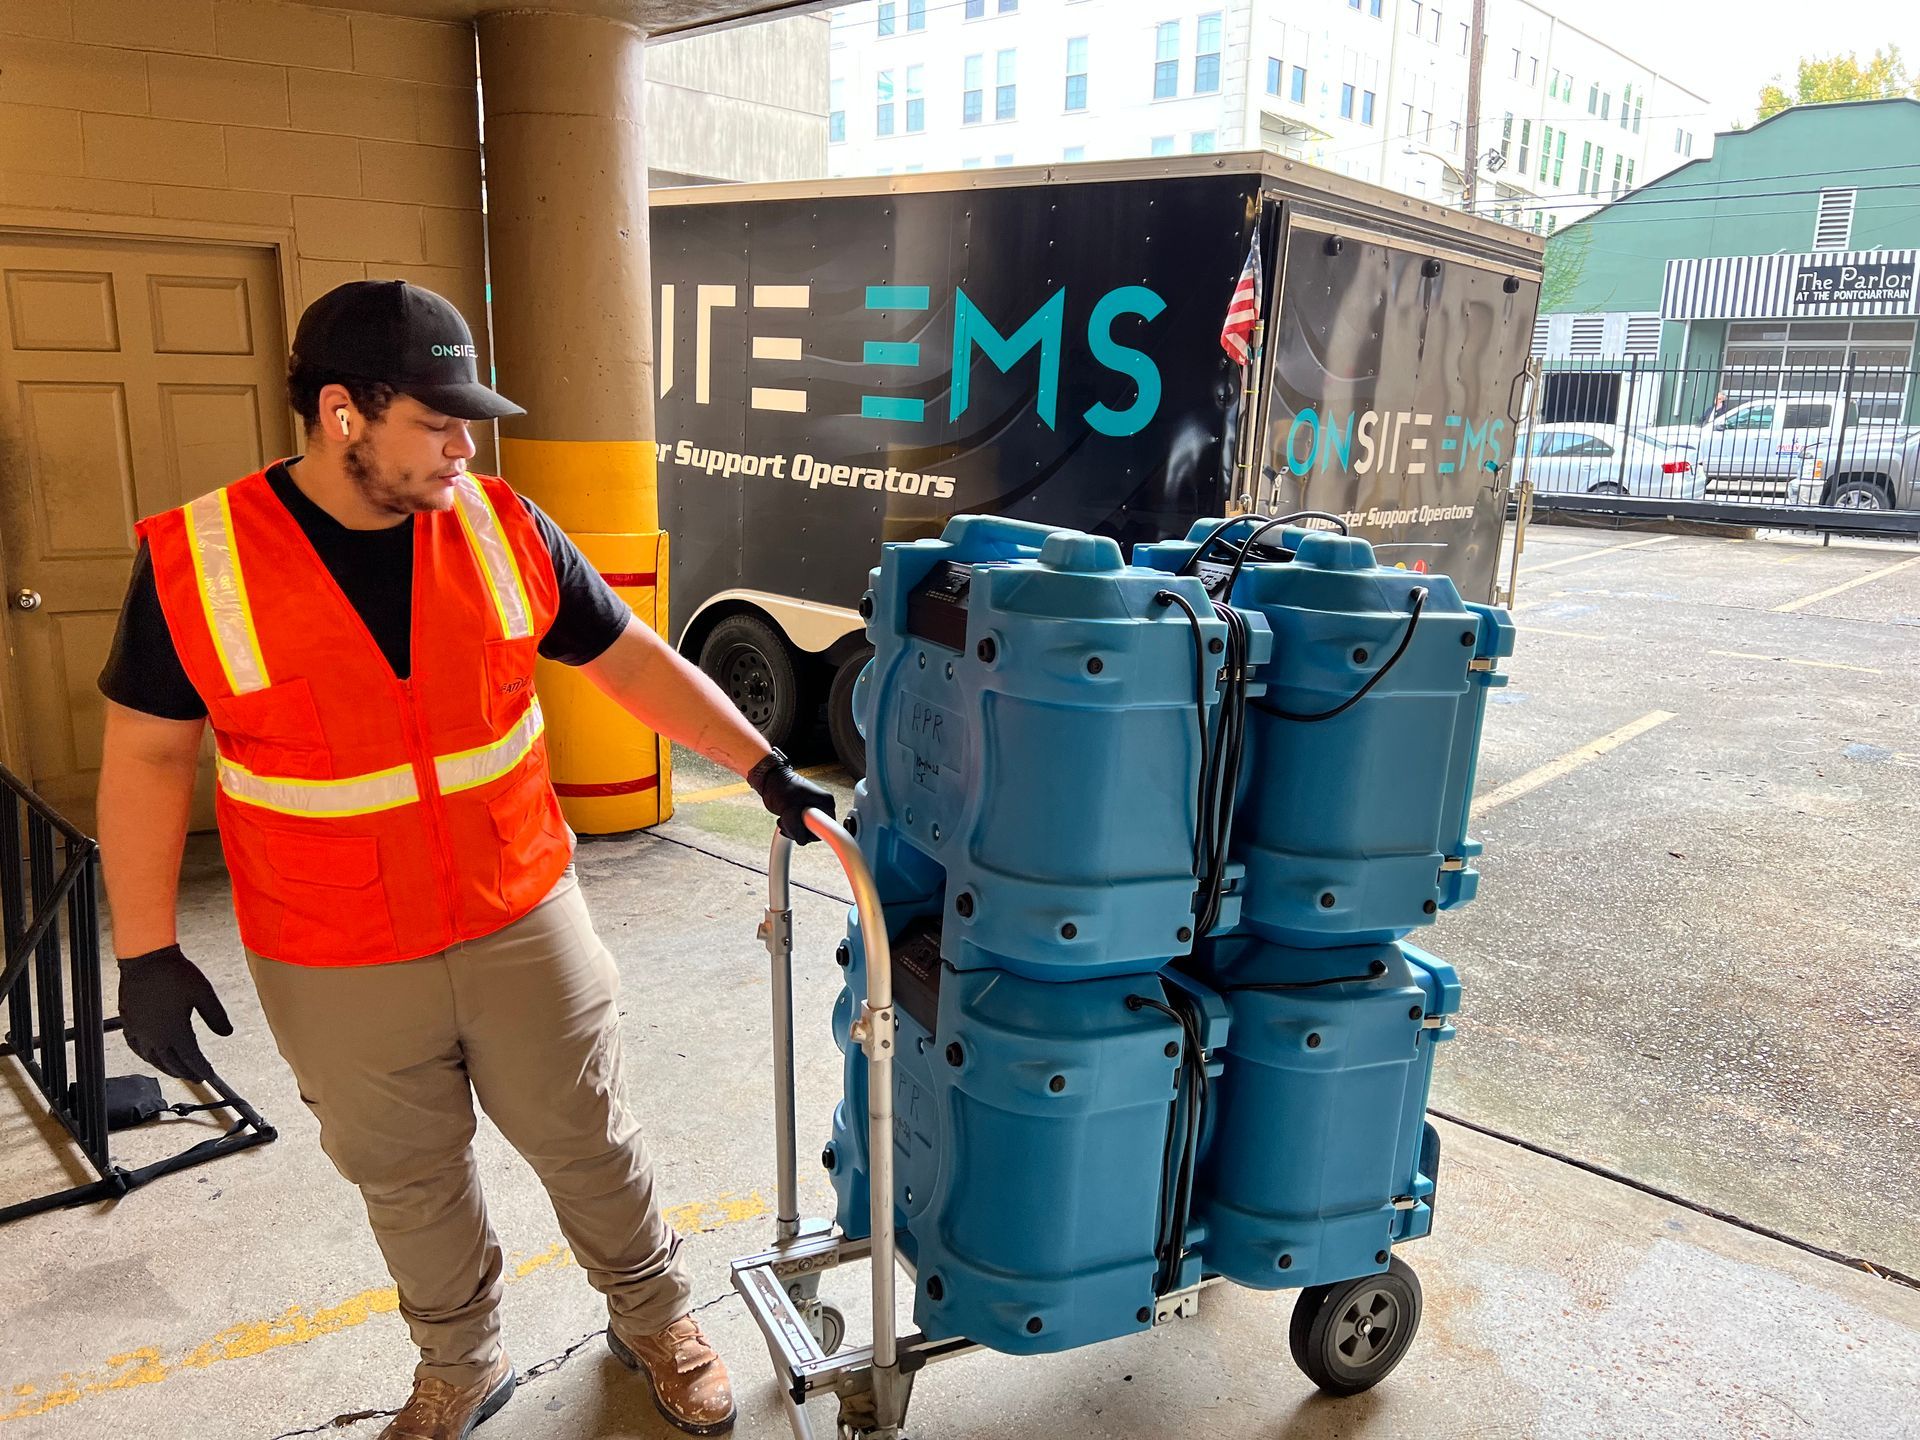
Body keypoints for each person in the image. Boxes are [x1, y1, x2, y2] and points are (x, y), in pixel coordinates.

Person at [95, 280, 834, 1440]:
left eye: (468, 417)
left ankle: (653, 1318)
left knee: (589, 1136)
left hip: (518, 908)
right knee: (408, 1180)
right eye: (436, 420)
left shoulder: (501, 526)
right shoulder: (200, 559)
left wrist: (761, 764)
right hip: (332, 947)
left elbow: (631, 662)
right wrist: (143, 948)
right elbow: (145, 757)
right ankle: (458, 1361)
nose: (464, 443)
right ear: (344, 414)